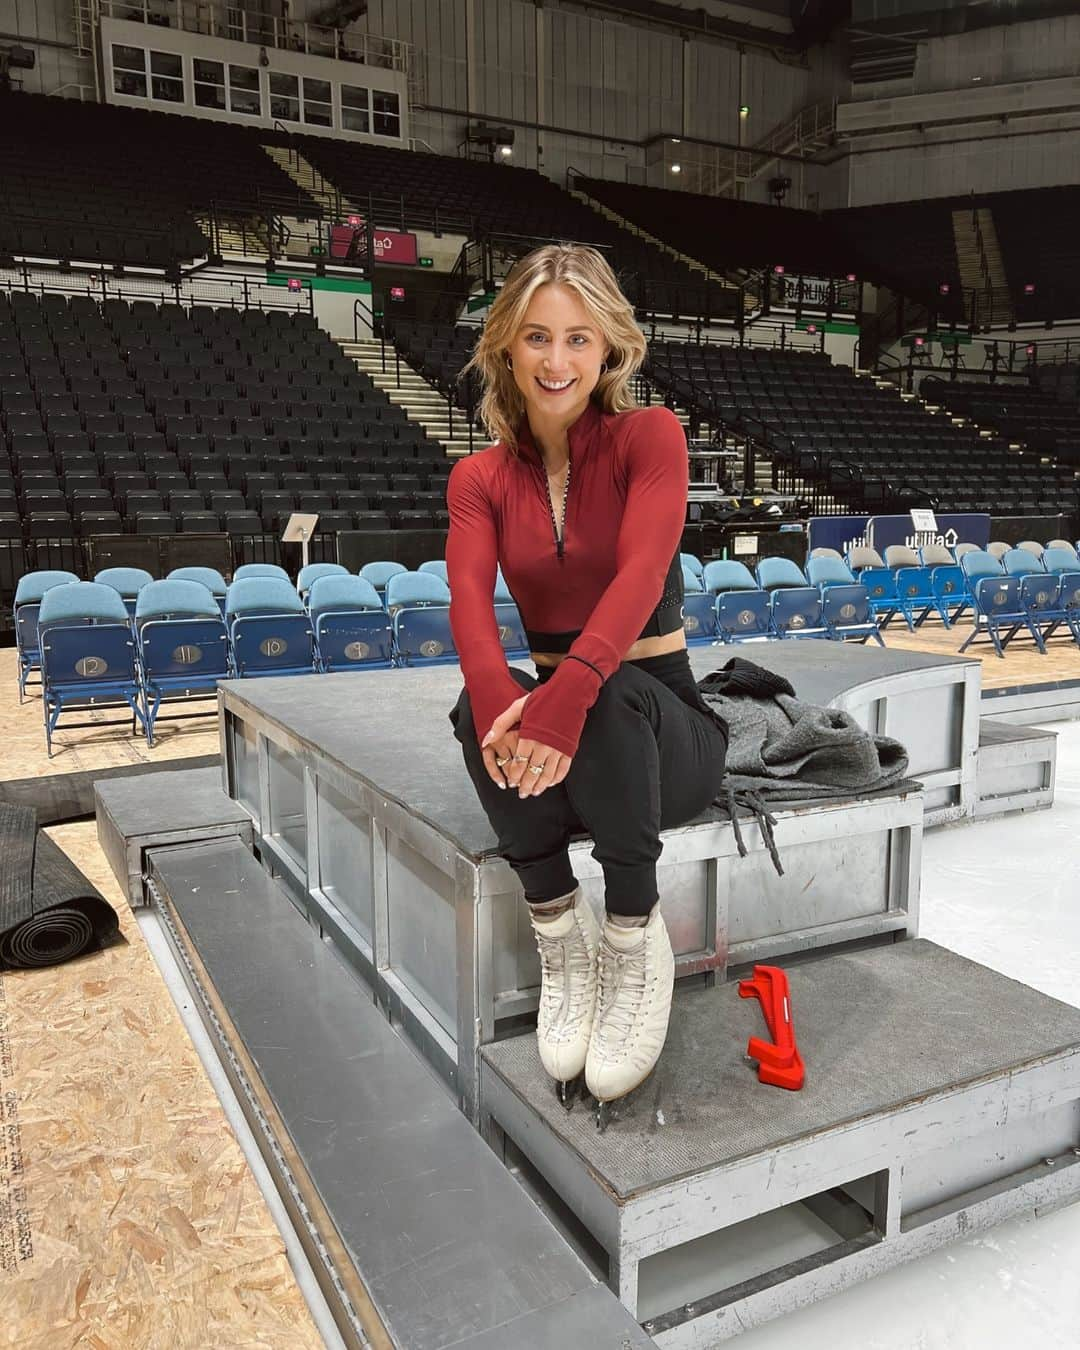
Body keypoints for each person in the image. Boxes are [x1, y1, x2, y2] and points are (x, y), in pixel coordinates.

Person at [447, 244, 728, 1109]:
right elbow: (465, 599)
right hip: (565, 753)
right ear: (506, 346)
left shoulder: (652, 436)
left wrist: (562, 701)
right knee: (471, 710)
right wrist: (504, 704)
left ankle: (634, 939)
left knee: (600, 694)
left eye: (578, 338)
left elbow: (641, 575)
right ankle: (559, 936)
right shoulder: (479, 476)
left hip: (661, 734)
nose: (557, 361)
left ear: (609, 347)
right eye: (537, 337)